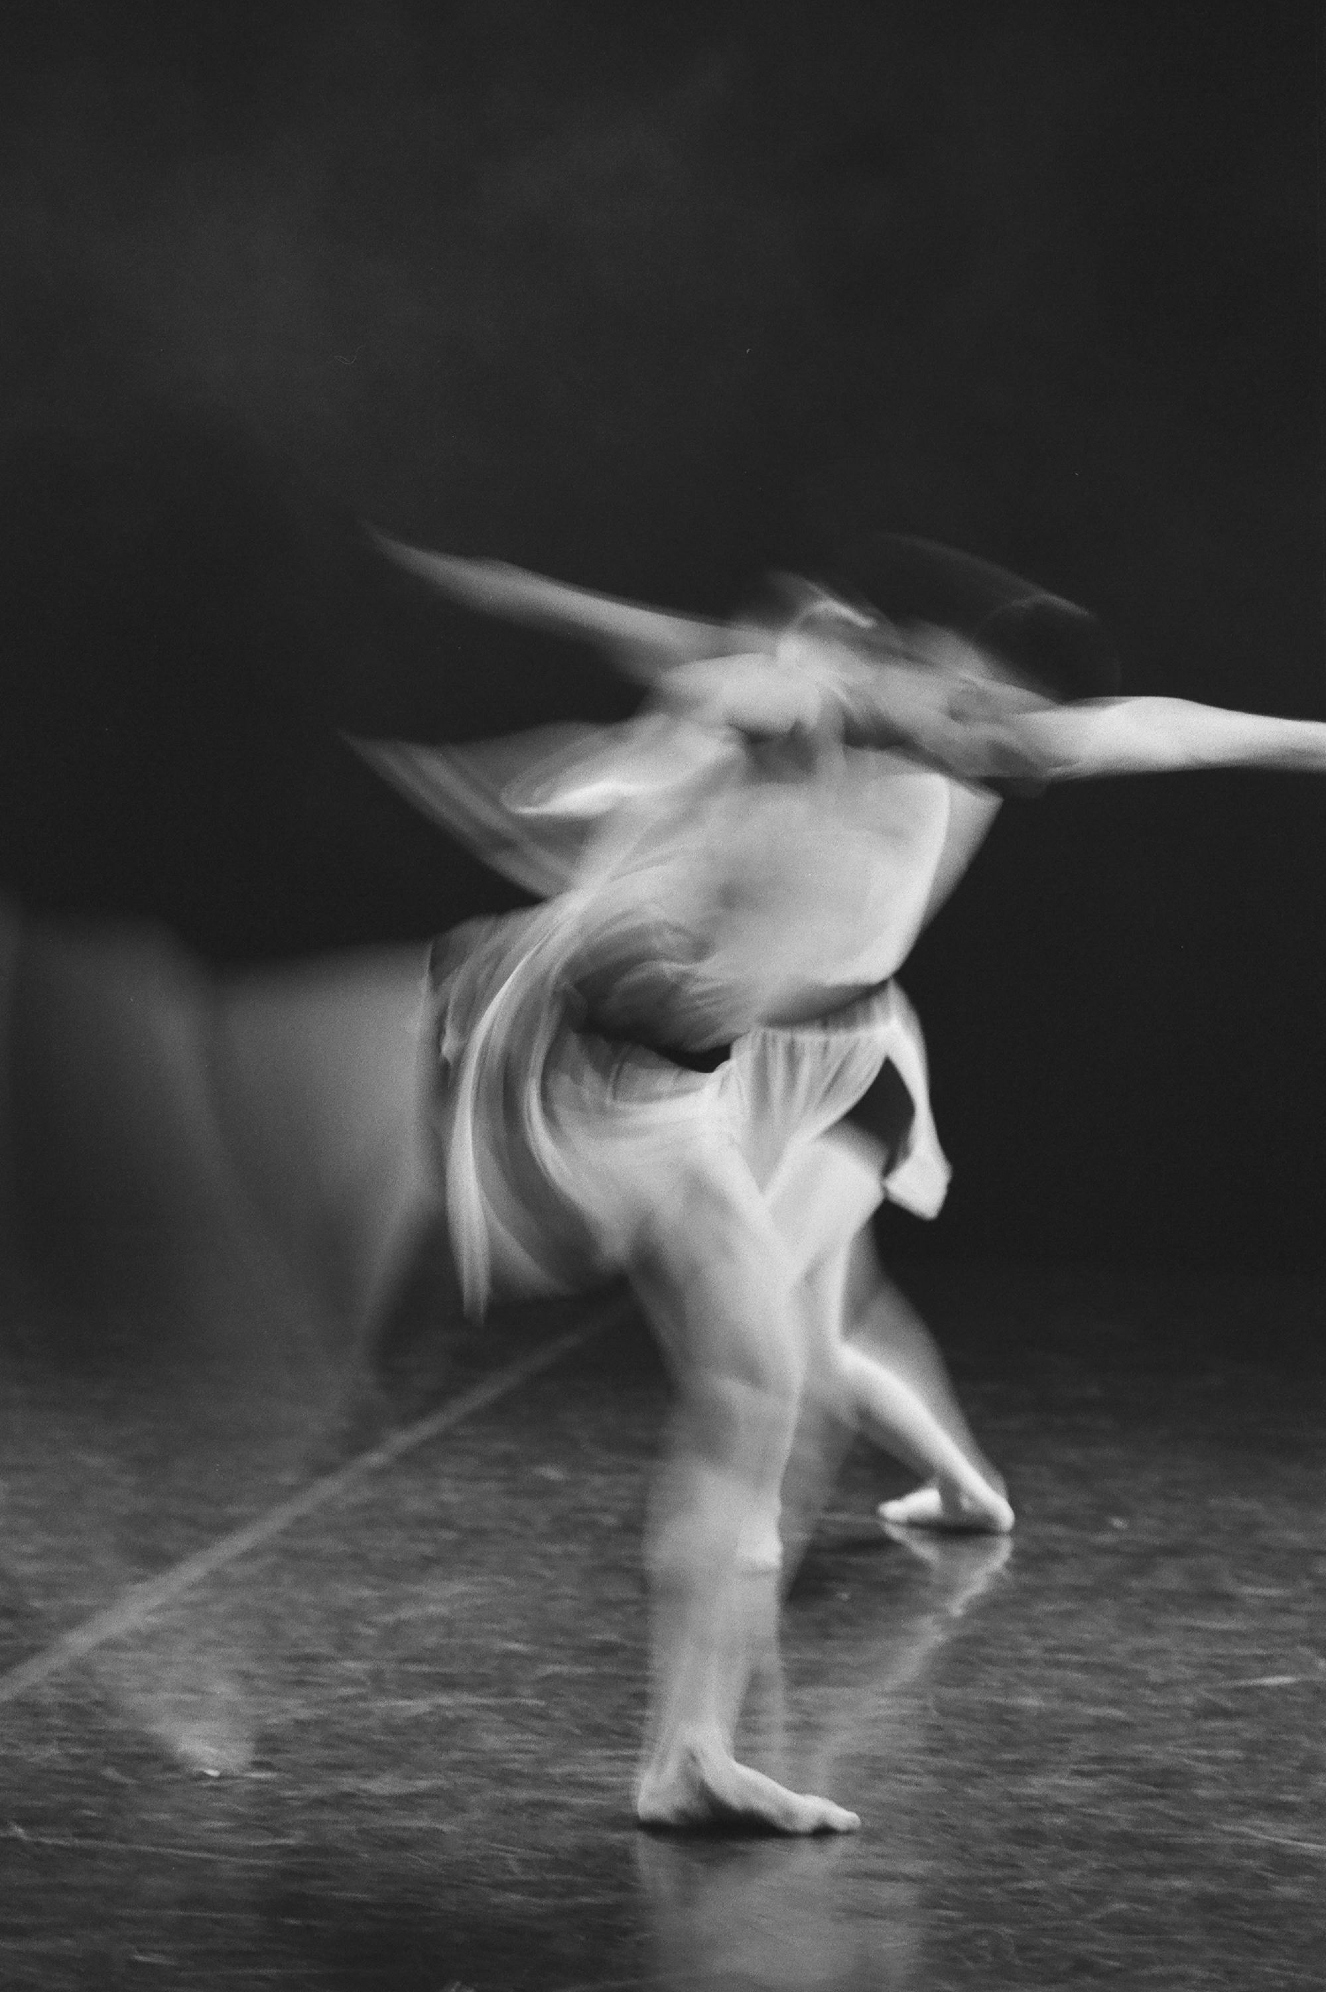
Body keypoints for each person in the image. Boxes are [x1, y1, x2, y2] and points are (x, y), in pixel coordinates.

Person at [356, 539, 1326, 1833]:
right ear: (915, 659)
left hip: (683, 1081)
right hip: (591, 1061)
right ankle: (688, 1741)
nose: (990, 737)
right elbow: (693, 674)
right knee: (762, 1367)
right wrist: (599, 707)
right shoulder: (808, 695)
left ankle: (688, 1757)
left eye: (1003, 716)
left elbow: (1164, 732)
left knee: (767, 1381)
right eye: (968, 696)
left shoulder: (961, 735)